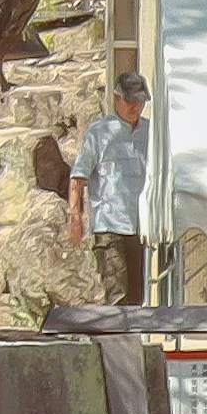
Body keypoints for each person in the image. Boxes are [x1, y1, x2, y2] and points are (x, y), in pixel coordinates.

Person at [79, 75, 155, 307]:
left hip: (140, 226)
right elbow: (79, 174)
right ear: (117, 98)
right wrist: (75, 215)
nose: (136, 107)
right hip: (109, 226)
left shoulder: (151, 132)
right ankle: (116, 343)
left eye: (140, 101)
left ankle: (131, 342)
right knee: (117, 294)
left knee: (136, 297)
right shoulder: (99, 132)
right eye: (130, 101)